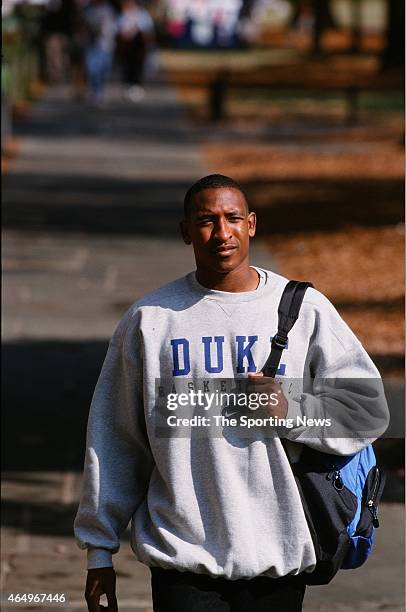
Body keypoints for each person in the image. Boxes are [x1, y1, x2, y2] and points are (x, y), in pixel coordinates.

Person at [74, 174, 388, 611]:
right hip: (182, 558)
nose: (222, 233)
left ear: (252, 224)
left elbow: (369, 411)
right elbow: (115, 439)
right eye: (206, 221)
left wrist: (292, 408)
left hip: (276, 556)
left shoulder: (304, 309)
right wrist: (99, 548)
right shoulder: (150, 320)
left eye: (233, 218)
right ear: (186, 231)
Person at [116, 0, 154, 102]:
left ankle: (136, 87)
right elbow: (118, 29)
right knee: (127, 68)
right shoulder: (122, 15)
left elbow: (148, 30)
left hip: (138, 48)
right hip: (126, 48)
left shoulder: (142, 15)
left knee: (137, 68)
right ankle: (128, 86)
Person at [83, 0, 117, 105]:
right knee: (92, 69)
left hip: (105, 45)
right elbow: (83, 25)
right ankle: (94, 90)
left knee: (103, 69)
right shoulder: (89, 10)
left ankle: (100, 91)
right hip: (91, 43)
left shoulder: (108, 9)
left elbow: (113, 27)